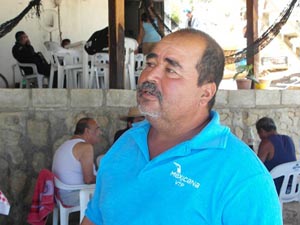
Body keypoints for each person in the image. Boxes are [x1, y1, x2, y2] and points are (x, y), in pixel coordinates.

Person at [82, 29, 282, 225]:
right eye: (150, 63)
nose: (150, 76)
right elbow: (95, 218)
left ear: (205, 93)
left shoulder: (243, 177)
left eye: (171, 70)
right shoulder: (125, 144)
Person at [52, 117, 101, 206]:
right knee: (116, 194)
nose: (99, 133)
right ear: (87, 131)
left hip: (61, 194)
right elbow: (89, 180)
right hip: (74, 195)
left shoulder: (65, 144)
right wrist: (107, 179)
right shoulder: (85, 147)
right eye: (97, 129)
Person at [256, 116, 297, 193]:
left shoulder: (266, 143)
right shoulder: (288, 139)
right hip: (292, 187)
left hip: (275, 188)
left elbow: (258, 166)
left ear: (262, 131)